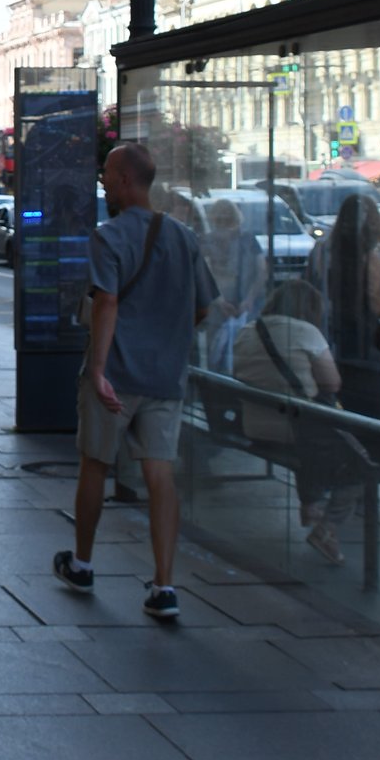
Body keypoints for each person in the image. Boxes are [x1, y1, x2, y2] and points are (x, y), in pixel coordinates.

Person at [53, 142, 217, 621]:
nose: (102, 181)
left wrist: (99, 370)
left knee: (95, 464)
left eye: (107, 173)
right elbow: (203, 306)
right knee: (160, 474)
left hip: (116, 375)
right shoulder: (184, 237)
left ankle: (83, 565)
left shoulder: (109, 237)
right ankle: (164, 587)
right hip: (165, 376)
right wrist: (167, 340)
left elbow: (106, 302)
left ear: (125, 180)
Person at [231, 280, 362, 565]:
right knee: (360, 465)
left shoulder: (247, 331)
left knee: (313, 440)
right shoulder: (306, 332)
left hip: (254, 427)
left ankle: (311, 504)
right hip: (296, 431)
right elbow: (332, 383)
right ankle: (326, 528)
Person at [306, 194, 380, 484]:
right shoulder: (369, 254)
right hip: (366, 345)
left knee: (339, 408)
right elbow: (375, 299)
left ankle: (342, 476)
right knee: (372, 418)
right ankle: (369, 481)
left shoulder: (323, 249)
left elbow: (312, 288)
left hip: (331, 339)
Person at [198, 196, 266, 377]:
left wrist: (223, 301)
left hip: (225, 305)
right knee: (243, 352)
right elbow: (262, 270)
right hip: (235, 306)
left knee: (217, 354)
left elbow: (203, 274)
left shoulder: (210, 240)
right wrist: (248, 300)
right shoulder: (246, 239)